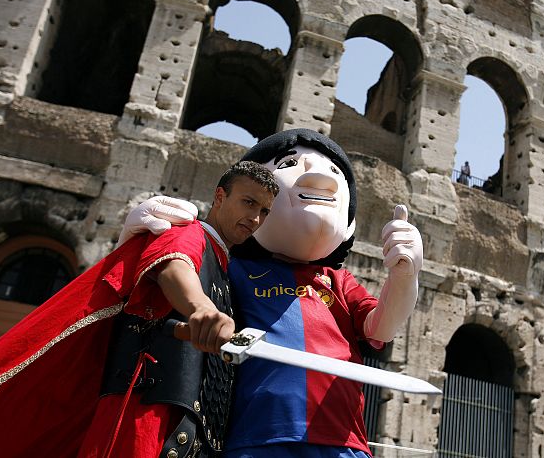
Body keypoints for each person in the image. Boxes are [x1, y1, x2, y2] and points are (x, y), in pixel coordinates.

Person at [122, 128, 424, 458]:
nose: (320, 175)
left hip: (344, 441)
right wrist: (137, 244)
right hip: (256, 437)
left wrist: (405, 276)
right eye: (290, 163)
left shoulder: (339, 281)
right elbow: (168, 280)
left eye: (335, 171)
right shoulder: (234, 267)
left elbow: (383, 328)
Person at [0, 161, 278, 458]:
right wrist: (200, 308)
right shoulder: (188, 232)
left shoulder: (226, 266)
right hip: (142, 413)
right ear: (220, 196)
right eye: (248, 202)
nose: (255, 218)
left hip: (182, 423)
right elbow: (174, 266)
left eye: (264, 211)